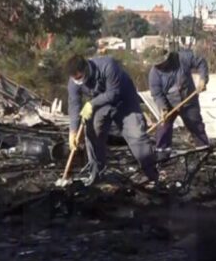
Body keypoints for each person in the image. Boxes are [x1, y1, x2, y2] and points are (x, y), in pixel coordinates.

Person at [66, 54, 158, 185]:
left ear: (86, 67)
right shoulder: (73, 83)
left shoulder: (108, 66)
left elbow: (113, 93)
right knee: (92, 133)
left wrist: (92, 104)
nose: (78, 81)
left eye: (80, 77)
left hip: (124, 100)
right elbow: (74, 105)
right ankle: (97, 175)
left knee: (136, 135)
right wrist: (73, 131)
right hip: (102, 104)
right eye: (75, 79)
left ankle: (152, 176)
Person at [148, 43, 210, 154]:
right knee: (163, 128)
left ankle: (203, 152)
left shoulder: (182, 58)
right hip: (169, 103)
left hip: (188, 99)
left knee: (196, 125)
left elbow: (201, 62)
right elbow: (157, 94)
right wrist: (163, 108)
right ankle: (162, 155)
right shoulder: (154, 74)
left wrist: (202, 79)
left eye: (162, 63)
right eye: (158, 65)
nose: (161, 66)